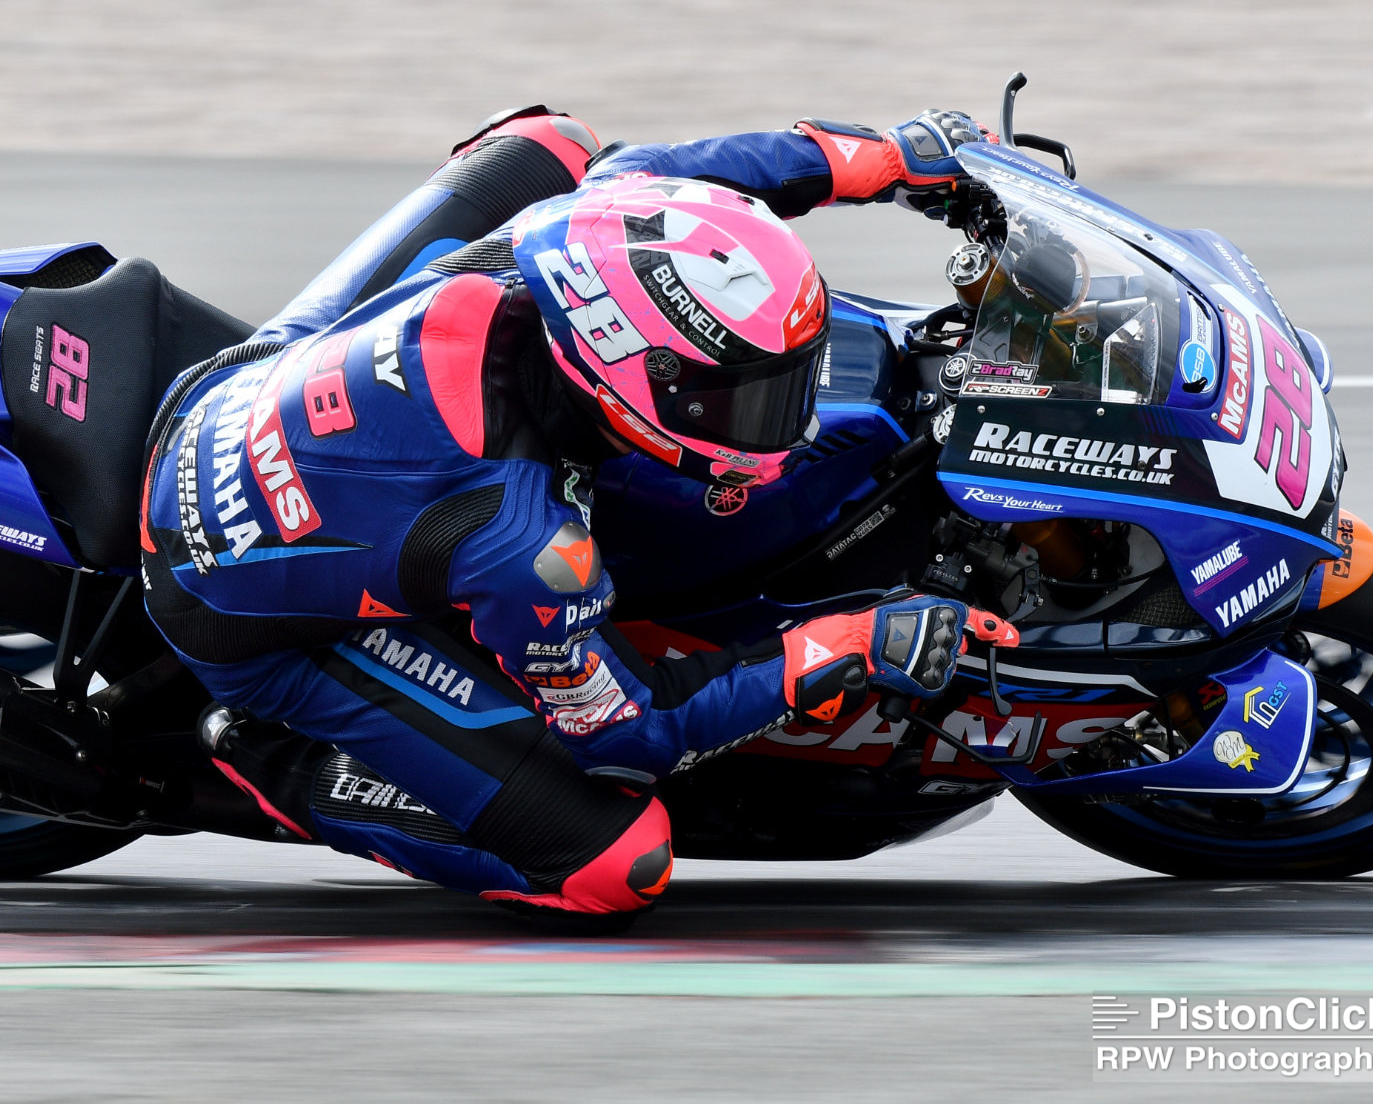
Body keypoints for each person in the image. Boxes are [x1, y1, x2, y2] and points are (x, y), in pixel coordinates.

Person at [138, 105, 994, 923]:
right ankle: (266, 757)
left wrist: (883, 156)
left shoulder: (577, 231)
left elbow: (691, 176)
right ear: (624, 375)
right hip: (226, 603)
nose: (783, 420)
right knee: (615, 865)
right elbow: (632, 734)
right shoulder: (526, 543)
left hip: (244, 379)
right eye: (747, 400)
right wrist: (846, 644)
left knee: (551, 143)